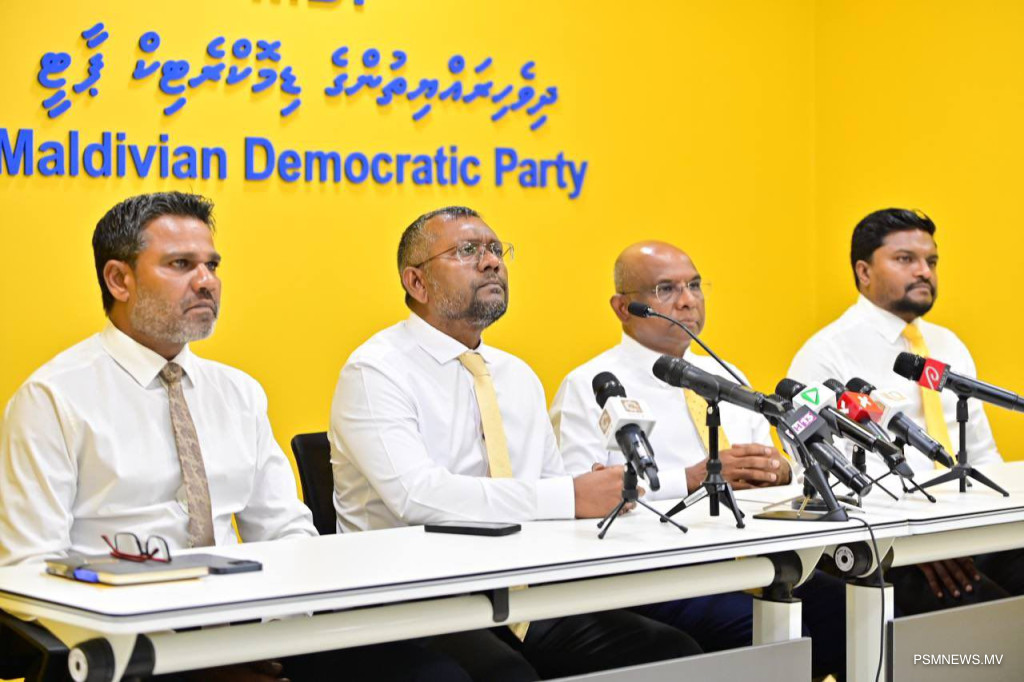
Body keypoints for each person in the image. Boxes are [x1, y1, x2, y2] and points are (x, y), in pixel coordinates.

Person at [0, 192, 467, 682]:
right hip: (126, 649)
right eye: (181, 264)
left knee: (432, 674)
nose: (206, 282)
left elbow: (286, 533)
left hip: (246, 628)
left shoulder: (238, 392)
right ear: (119, 279)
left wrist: (275, 637)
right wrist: (184, 661)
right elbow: (28, 573)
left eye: (212, 265)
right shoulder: (54, 398)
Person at [330, 207, 701, 681]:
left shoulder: (515, 375)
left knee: (673, 654)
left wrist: (596, 494)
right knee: (506, 674)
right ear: (416, 283)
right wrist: (569, 496)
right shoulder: (376, 371)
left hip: (522, 591)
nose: (491, 262)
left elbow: (551, 488)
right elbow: (416, 496)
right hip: (414, 598)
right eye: (467, 251)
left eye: (495, 249)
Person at [550, 240, 844, 679]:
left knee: (849, 609)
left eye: (695, 285)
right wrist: (691, 479)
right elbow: (583, 500)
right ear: (622, 307)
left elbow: (773, 472)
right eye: (665, 289)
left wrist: (780, 470)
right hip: (656, 571)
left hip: (750, 557)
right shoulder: (589, 384)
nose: (688, 301)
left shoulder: (726, 376)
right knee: (768, 634)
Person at [788, 207, 1024, 613]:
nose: (924, 272)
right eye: (905, 259)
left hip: (970, 528)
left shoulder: (948, 345)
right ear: (863, 271)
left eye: (931, 261)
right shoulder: (827, 354)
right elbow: (820, 473)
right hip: (890, 542)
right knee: (1001, 617)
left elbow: (983, 454)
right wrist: (917, 539)